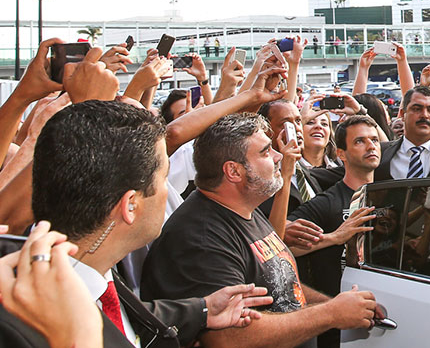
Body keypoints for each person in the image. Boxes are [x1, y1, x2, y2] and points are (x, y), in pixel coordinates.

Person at [7, 100, 273, 348]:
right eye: (163, 178)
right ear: (130, 205)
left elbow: (136, 314)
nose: (169, 193)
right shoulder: (26, 326)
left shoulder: (95, 271)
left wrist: (203, 310)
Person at [140, 113, 381, 348]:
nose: (278, 157)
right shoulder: (200, 239)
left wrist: (336, 305)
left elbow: (282, 284)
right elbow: (227, 339)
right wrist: (329, 314)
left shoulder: (244, 207)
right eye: (266, 151)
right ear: (234, 171)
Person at [285, 115, 380, 347]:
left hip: (383, 313)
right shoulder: (326, 203)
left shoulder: (389, 194)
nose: (370, 146)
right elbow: (280, 247)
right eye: (360, 141)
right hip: (337, 326)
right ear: (341, 154)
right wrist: (334, 237)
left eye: (375, 140)